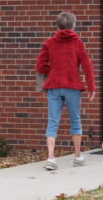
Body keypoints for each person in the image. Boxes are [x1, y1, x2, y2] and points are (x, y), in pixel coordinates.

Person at [36, 12, 96, 170]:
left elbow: (40, 65)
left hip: (54, 86)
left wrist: (53, 68)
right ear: (73, 25)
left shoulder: (49, 43)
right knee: (75, 121)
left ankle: (50, 158)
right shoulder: (78, 42)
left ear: (58, 26)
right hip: (72, 87)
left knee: (52, 122)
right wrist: (91, 88)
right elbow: (87, 66)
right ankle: (77, 156)